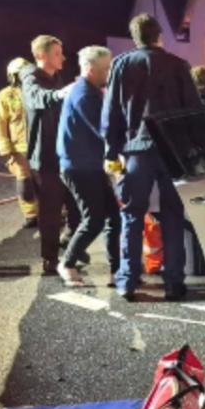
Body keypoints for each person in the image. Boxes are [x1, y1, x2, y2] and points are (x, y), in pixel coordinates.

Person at [102, 13, 203, 301]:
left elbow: (110, 114)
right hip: (172, 151)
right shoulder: (178, 66)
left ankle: (128, 281)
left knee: (132, 215)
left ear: (135, 38)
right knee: (172, 215)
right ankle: (174, 282)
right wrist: (203, 148)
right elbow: (193, 110)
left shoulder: (121, 65)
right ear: (159, 36)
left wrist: (112, 151)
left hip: (136, 151)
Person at [55, 46, 120, 287]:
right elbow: (103, 130)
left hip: (88, 165)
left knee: (114, 217)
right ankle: (68, 263)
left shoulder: (90, 90)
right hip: (79, 167)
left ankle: (117, 270)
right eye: (106, 69)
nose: (110, 73)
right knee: (94, 219)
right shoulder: (85, 95)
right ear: (91, 70)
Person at [19, 35, 74, 276]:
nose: (62, 57)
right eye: (56, 53)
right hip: (45, 159)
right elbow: (38, 98)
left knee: (78, 207)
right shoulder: (31, 78)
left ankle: (70, 244)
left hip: (66, 155)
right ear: (42, 55)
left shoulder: (57, 78)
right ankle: (50, 259)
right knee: (50, 212)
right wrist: (60, 95)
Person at [0, 57, 39, 229]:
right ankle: (31, 214)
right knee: (25, 185)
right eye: (21, 74)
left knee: (48, 182)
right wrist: (5, 148)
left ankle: (57, 212)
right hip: (19, 150)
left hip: (41, 146)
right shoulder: (5, 95)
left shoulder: (39, 91)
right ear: (13, 76)